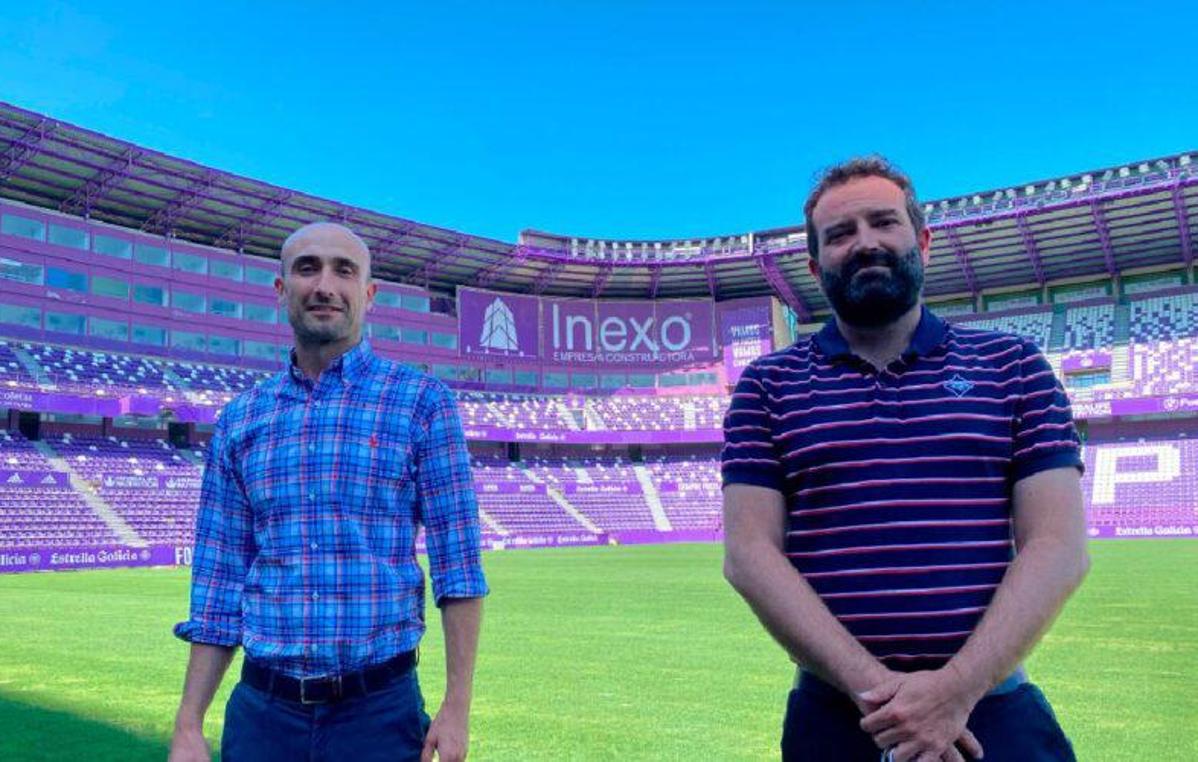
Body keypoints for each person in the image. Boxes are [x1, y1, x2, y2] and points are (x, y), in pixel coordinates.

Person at [721, 157, 1088, 762]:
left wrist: (955, 692)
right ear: (815, 267)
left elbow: (1058, 547)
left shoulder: (1014, 366)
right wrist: (887, 698)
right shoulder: (767, 385)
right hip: (838, 722)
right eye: (840, 234)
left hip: (993, 709)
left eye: (883, 223)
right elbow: (750, 555)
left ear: (920, 239)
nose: (864, 243)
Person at [169, 222, 488, 762]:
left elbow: (458, 568)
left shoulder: (422, 402)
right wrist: (188, 724)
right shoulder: (241, 419)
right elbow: (218, 582)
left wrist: (458, 705)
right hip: (262, 717)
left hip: (379, 716)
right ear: (281, 289)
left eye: (344, 270)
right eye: (307, 267)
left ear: (368, 293)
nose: (325, 285)